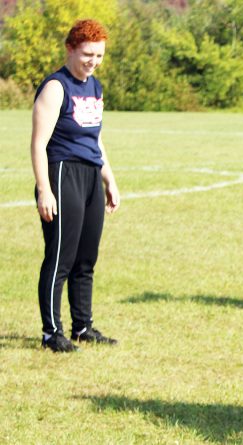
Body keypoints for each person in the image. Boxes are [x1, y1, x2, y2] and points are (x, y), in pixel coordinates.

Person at [32, 19, 120, 353]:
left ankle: (82, 326)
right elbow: (39, 143)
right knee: (60, 258)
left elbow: (95, 137)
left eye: (98, 55)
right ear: (70, 49)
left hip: (90, 175)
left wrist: (109, 178)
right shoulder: (56, 87)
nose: (93, 61)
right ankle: (51, 332)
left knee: (86, 258)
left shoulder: (95, 86)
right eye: (87, 54)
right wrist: (44, 188)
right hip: (61, 172)